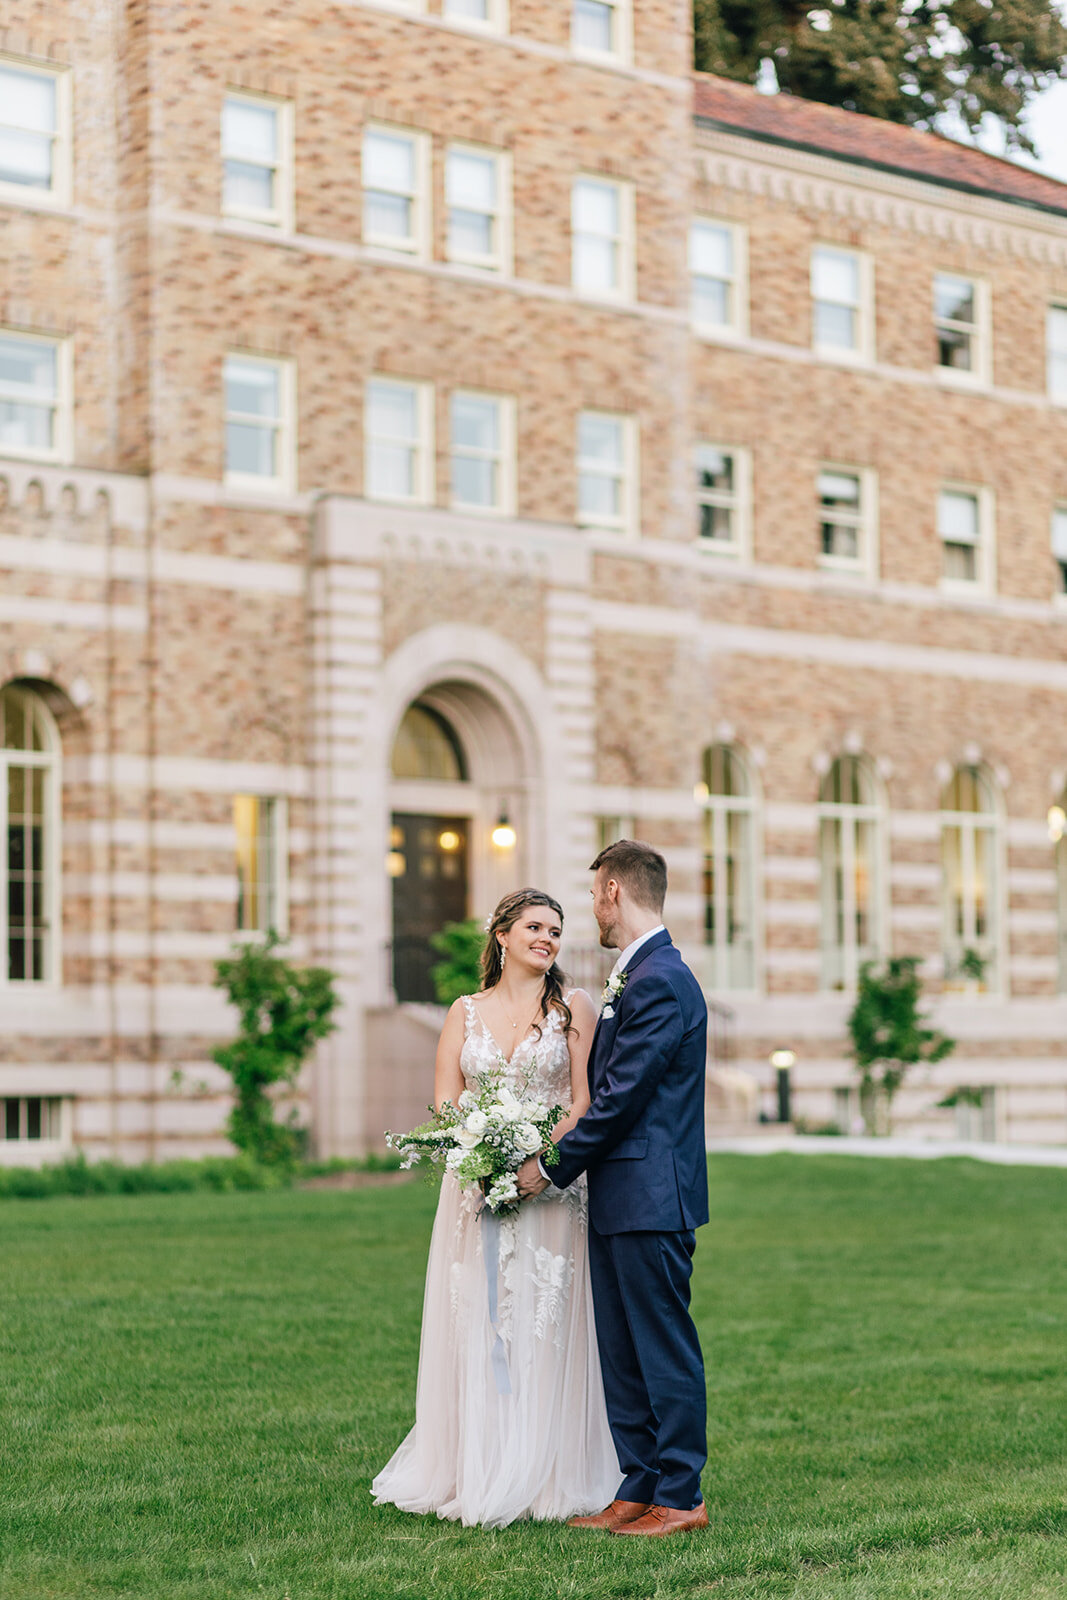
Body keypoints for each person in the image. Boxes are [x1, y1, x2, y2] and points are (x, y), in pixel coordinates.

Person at [372, 888, 620, 1528]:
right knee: (478, 1323)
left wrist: (537, 1161)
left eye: (558, 931)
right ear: (502, 935)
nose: (549, 939)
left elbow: (583, 1104)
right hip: (475, 1189)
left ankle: (545, 1469)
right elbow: (447, 1100)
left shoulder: (574, 1010)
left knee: (542, 1320)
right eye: (536, 927)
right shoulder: (463, 1011)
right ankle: (477, 1463)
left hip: (551, 1190)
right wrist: (482, 1153)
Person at [517, 840, 710, 1537]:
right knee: (623, 1349)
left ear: (611, 892)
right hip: (621, 1193)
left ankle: (681, 1496)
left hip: (652, 1195)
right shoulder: (638, 974)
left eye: (595, 894)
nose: (593, 908)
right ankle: (639, 1484)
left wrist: (548, 1165)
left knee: (661, 1347)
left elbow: (621, 1097)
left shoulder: (660, 978)